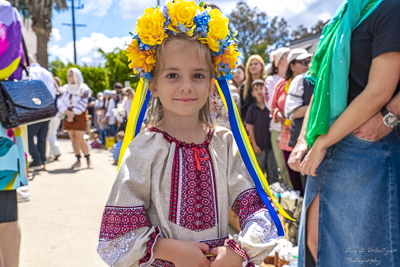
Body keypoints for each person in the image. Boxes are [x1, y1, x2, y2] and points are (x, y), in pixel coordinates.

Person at [97, 3, 279, 266]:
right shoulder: (144, 149)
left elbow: (255, 208)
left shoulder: (223, 143)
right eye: (172, 74)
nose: (186, 86)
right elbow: (116, 236)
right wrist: (168, 249)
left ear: (212, 81)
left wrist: (240, 252)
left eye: (198, 75)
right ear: (153, 85)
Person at [288, 0, 400, 266]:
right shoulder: (341, 19)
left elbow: (379, 91)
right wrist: (304, 140)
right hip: (327, 145)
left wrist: (323, 142)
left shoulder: (390, 7)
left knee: (362, 255)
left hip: (365, 149)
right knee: (316, 246)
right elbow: (319, 90)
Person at [270, 48, 311, 196]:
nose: (307, 65)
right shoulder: (280, 85)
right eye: (303, 62)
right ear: (292, 65)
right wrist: (278, 113)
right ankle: (295, 209)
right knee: (293, 177)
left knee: (307, 177)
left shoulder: (313, 81)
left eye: (309, 61)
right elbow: (273, 107)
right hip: (288, 137)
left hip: (307, 136)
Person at [265, 47, 292, 187]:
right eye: (288, 56)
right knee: (284, 166)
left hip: (295, 128)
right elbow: (270, 103)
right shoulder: (270, 80)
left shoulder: (295, 78)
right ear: (280, 60)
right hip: (277, 129)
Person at [26, 55, 57, 170]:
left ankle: (37, 159)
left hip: (35, 108)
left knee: (28, 136)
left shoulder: (30, 71)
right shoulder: (47, 73)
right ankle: (42, 160)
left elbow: (28, 90)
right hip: (48, 107)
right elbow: (53, 91)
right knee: (42, 136)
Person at [57, 67, 93, 169]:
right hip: (67, 114)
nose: (70, 77)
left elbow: (83, 103)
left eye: (72, 75)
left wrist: (73, 113)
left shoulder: (83, 89)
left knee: (80, 138)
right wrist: (66, 112)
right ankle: (78, 159)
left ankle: (88, 158)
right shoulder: (65, 89)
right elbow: (61, 101)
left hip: (79, 114)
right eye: (68, 75)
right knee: (73, 138)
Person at [245, 79, 279, 185]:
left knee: (273, 172)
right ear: (252, 93)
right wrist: (254, 144)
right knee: (259, 172)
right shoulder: (252, 109)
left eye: (261, 88)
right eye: (256, 89)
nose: (259, 91)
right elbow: (250, 127)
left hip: (271, 145)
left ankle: (274, 195)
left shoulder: (271, 107)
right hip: (258, 146)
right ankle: (259, 197)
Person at [240, 55, 267, 121]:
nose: (253, 66)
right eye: (250, 64)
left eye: (256, 64)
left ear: (261, 66)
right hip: (251, 123)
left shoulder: (268, 82)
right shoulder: (244, 86)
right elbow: (243, 108)